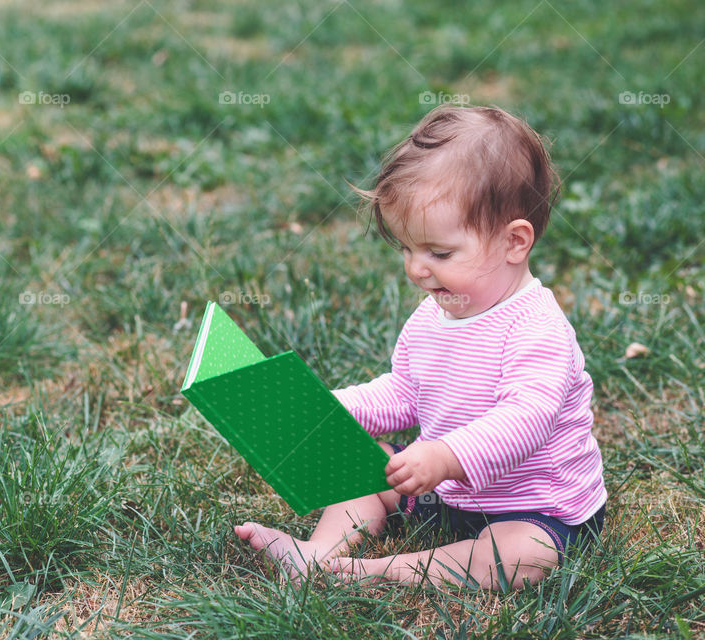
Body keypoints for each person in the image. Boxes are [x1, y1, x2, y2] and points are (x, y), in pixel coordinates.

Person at [234, 104, 607, 591]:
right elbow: (406, 392)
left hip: (533, 507)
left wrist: (447, 456)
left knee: (525, 555)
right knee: (362, 465)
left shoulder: (536, 328)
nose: (416, 269)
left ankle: (372, 573)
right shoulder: (435, 314)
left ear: (515, 242)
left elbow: (526, 420)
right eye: (407, 249)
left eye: (439, 252)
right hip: (442, 493)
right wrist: (334, 409)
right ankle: (314, 555)